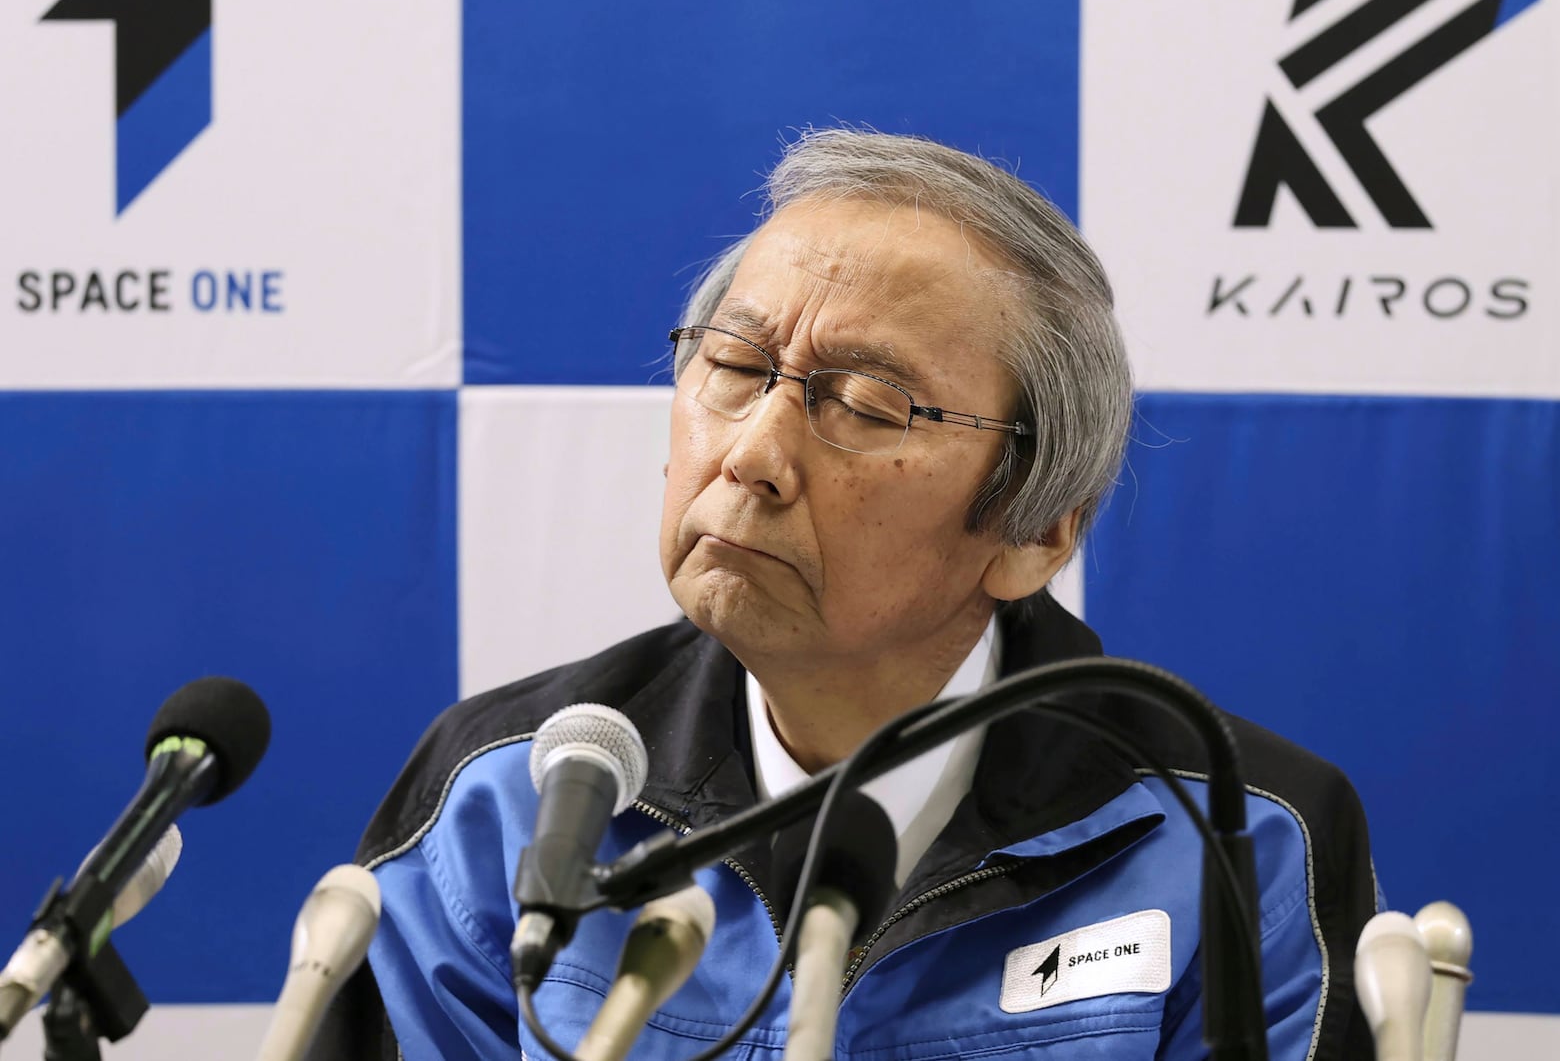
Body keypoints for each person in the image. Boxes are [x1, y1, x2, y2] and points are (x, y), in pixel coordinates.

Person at [335, 129, 1379, 1060]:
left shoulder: (1235, 837)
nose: (752, 455)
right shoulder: (508, 799)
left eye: (866, 404)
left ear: (1035, 529)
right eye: (736, 364)